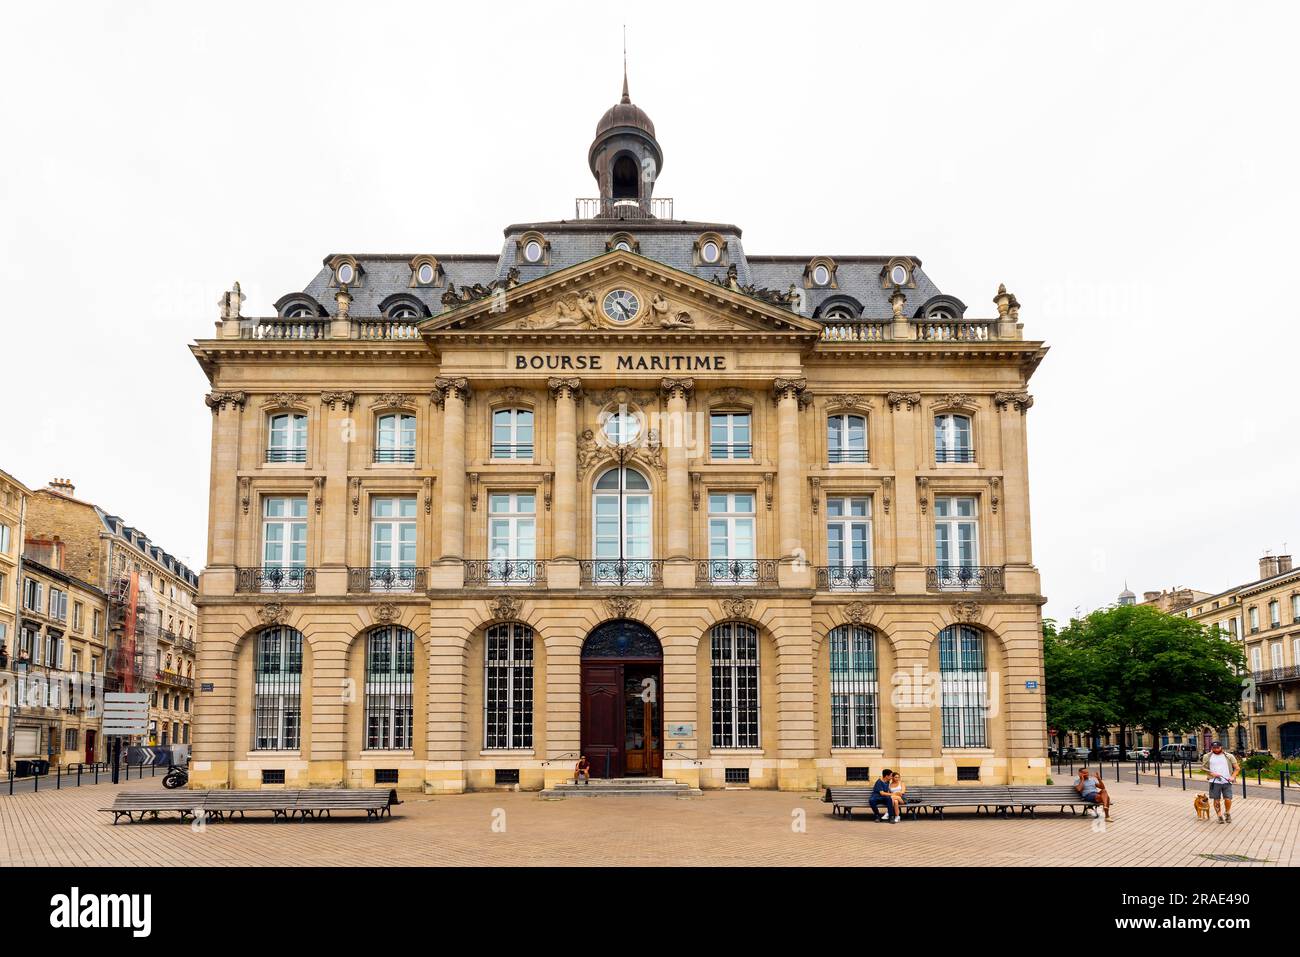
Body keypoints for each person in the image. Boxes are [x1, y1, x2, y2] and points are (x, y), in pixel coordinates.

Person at [1200, 740, 1238, 823]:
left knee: (1228, 799)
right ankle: (1219, 816)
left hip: (1227, 781)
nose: (1216, 749)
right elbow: (1203, 768)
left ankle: (1227, 813)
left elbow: (1237, 768)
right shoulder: (1207, 756)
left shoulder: (1229, 756)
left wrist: (1232, 777)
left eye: (1218, 748)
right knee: (1216, 799)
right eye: (1214, 748)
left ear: (1221, 747)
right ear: (1211, 748)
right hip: (1214, 782)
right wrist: (1211, 773)